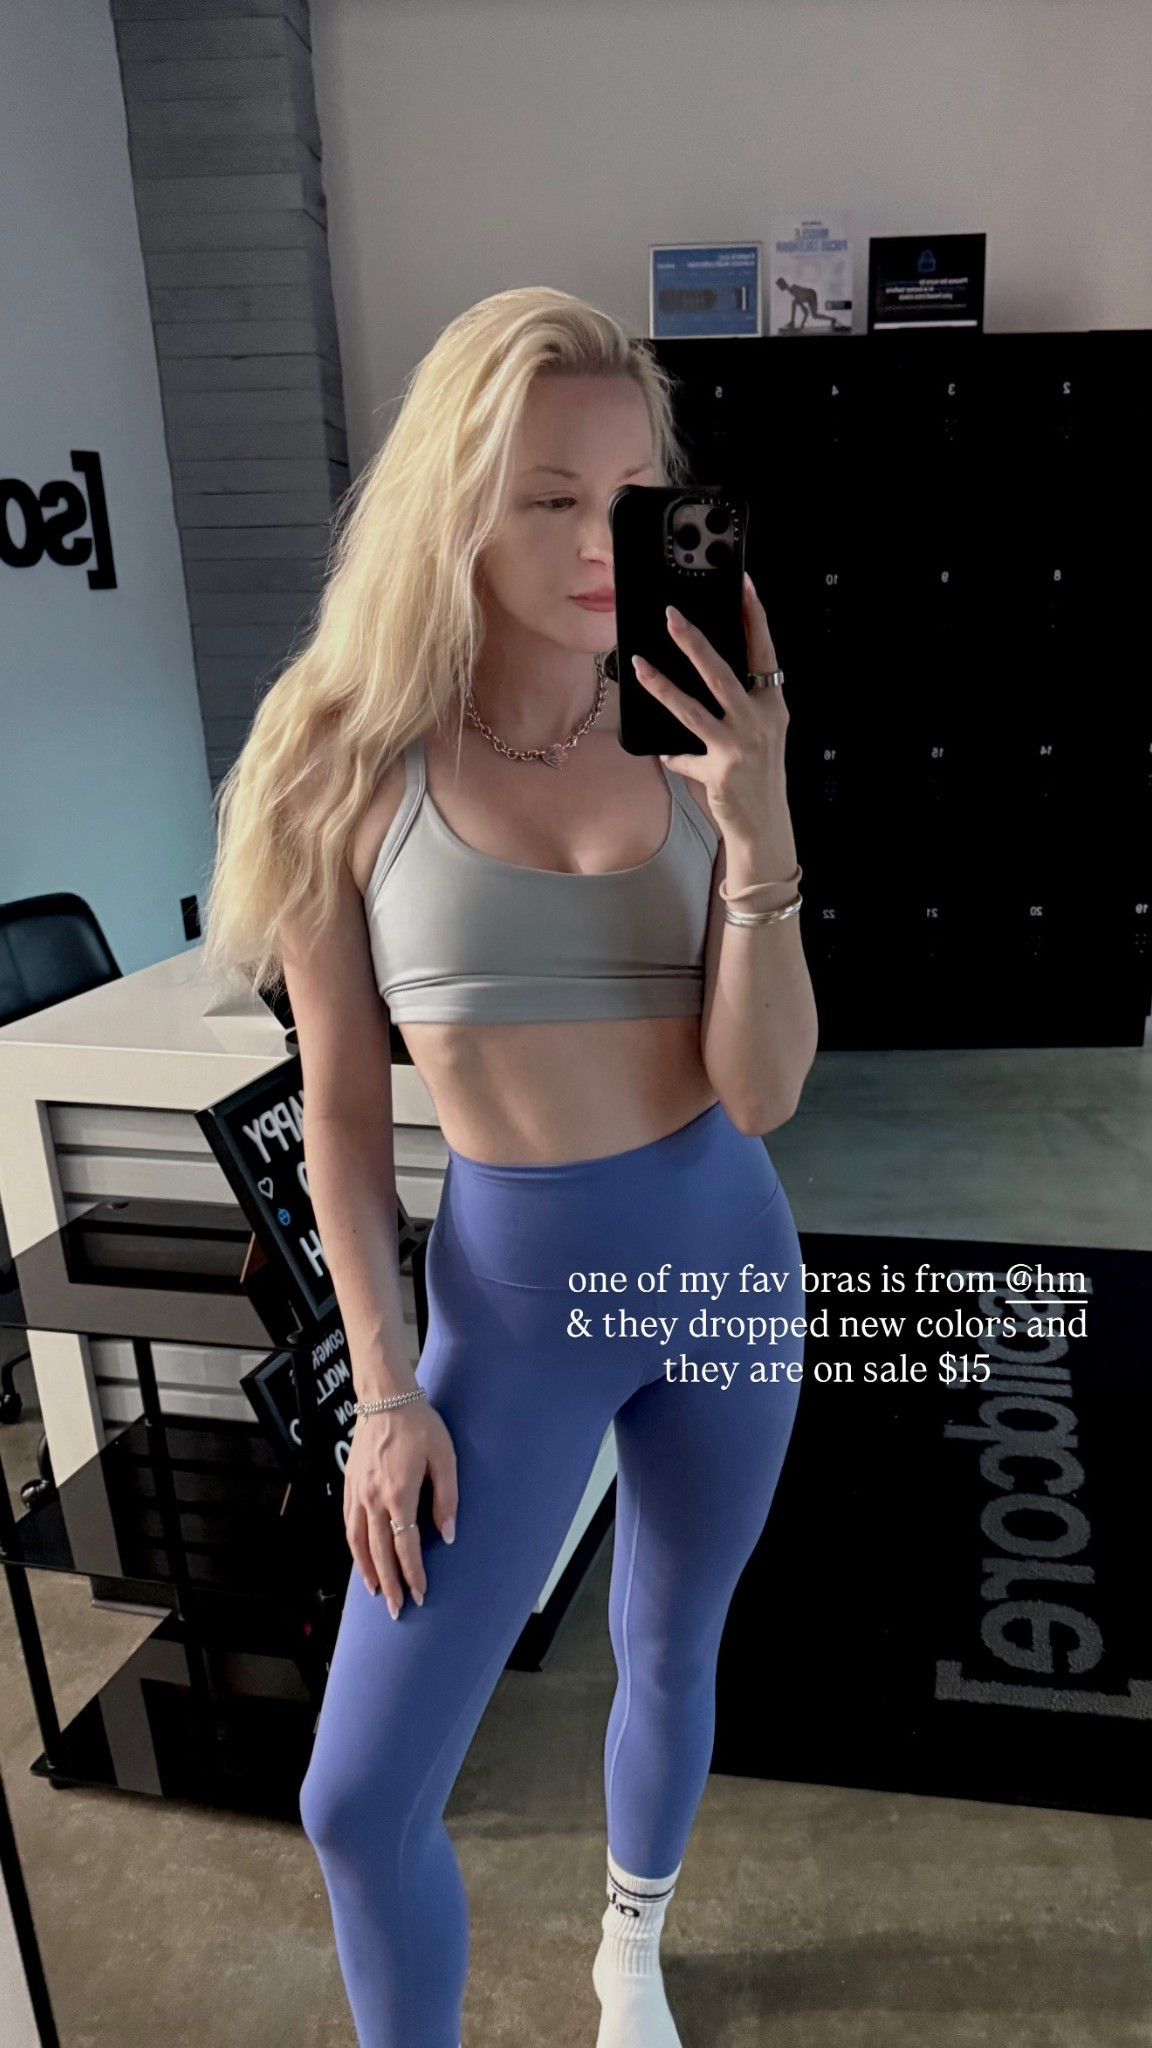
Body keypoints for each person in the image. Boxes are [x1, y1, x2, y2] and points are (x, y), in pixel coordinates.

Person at [201, 286, 818, 2048]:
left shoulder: (702, 732)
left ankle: (632, 1948)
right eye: (547, 496)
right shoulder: (340, 758)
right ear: (452, 502)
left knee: (672, 1642)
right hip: (512, 1316)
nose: (598, 540)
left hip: (726, 1264)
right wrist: (383, 1391)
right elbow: (340, 1113)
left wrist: (759, 827)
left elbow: (762, 1090)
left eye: (629, 494)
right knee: (357, 1800)